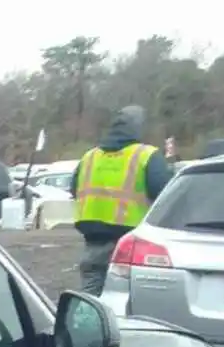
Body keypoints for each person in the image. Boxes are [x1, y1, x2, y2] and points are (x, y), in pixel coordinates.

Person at [72, 105, 173, 294]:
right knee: (129, 298)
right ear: (139, 128)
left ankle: (84, 323)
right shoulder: (147, 155)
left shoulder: (90, 156)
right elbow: (165, 195)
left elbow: (74, 189)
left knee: (91, 296)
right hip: (132, 241)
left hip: (93, 242)